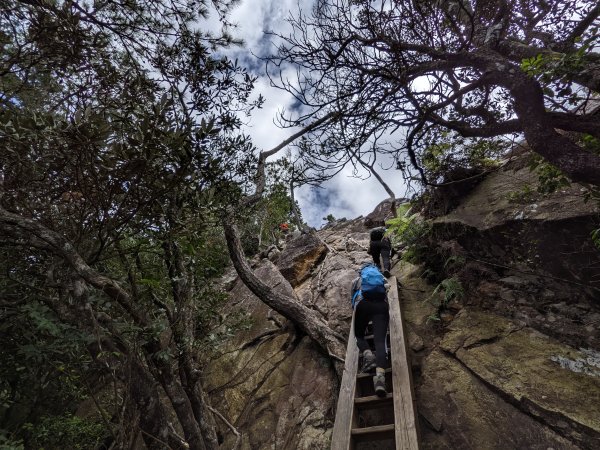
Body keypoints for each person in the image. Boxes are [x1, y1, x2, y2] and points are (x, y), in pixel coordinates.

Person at [351, 263, 390, 397]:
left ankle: (368, 356)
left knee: (359, 336)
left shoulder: (358, 280)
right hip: (381, 306)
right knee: (380, 342)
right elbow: (387, 290)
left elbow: (352, 298)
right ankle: (380, 379)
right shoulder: (380, 278)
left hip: (362, 304)